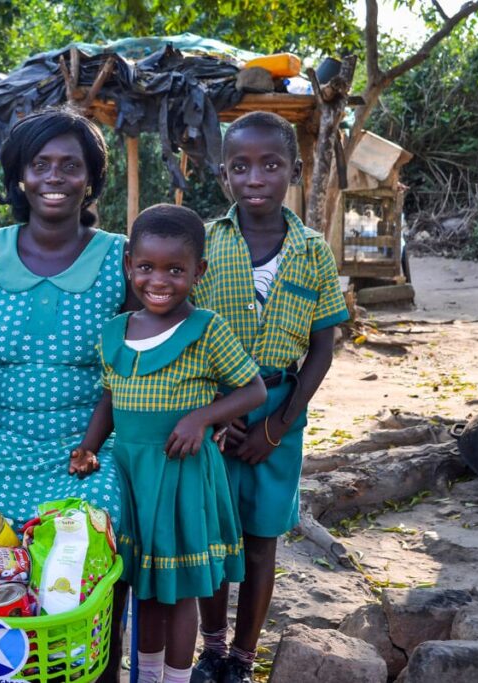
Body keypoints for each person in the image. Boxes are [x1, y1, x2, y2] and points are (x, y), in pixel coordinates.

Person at [0, 107, 133, 682]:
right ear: (19, 175)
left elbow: (140, 361)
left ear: (91, 179)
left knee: (100, 515)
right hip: (5, 436)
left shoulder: (120, 256)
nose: (54, 176)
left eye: (71, 165)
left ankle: (96, 664)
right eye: (39, 164)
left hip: (91, 441)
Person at [69, 204, 267, 683]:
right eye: (146, 267)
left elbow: (253, 390)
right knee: (146, 590)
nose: (159, 280)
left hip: (181, 476)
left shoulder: (207, 329)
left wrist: (201, 417)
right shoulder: (115, 331)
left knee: (177, 591)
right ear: (128, 266)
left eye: (175, 270)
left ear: (199, 271)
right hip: (131, 475)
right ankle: (149, 676)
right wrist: (90, 446)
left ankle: (177, 678)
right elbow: (111, 397)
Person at [190, 112, 349, 683]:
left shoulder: (312, 252)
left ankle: (242, 656)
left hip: (281, 410)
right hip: (212, 414)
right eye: (240, 167)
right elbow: (183, 332)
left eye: (271, 164)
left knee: (260, 541)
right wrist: (217, 415)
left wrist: (276, 426)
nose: (255, 177)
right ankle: (210, 648)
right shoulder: (204, 243)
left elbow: (321, 351)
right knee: (212, 539)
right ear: (223, 175)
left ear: (296, 171)